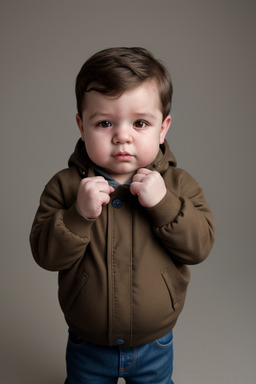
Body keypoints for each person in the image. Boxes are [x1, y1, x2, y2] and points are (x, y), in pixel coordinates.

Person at [30, 47, 215, 384]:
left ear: (163, 128)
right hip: (88, 342)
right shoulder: (67, 185)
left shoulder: (178, 184)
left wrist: (164, 204)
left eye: (140, 123)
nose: (122, 136)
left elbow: (199, 247)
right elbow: (45, 254)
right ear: (81, 127)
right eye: (104, 123)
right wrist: (78, 215)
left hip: (154, 342)